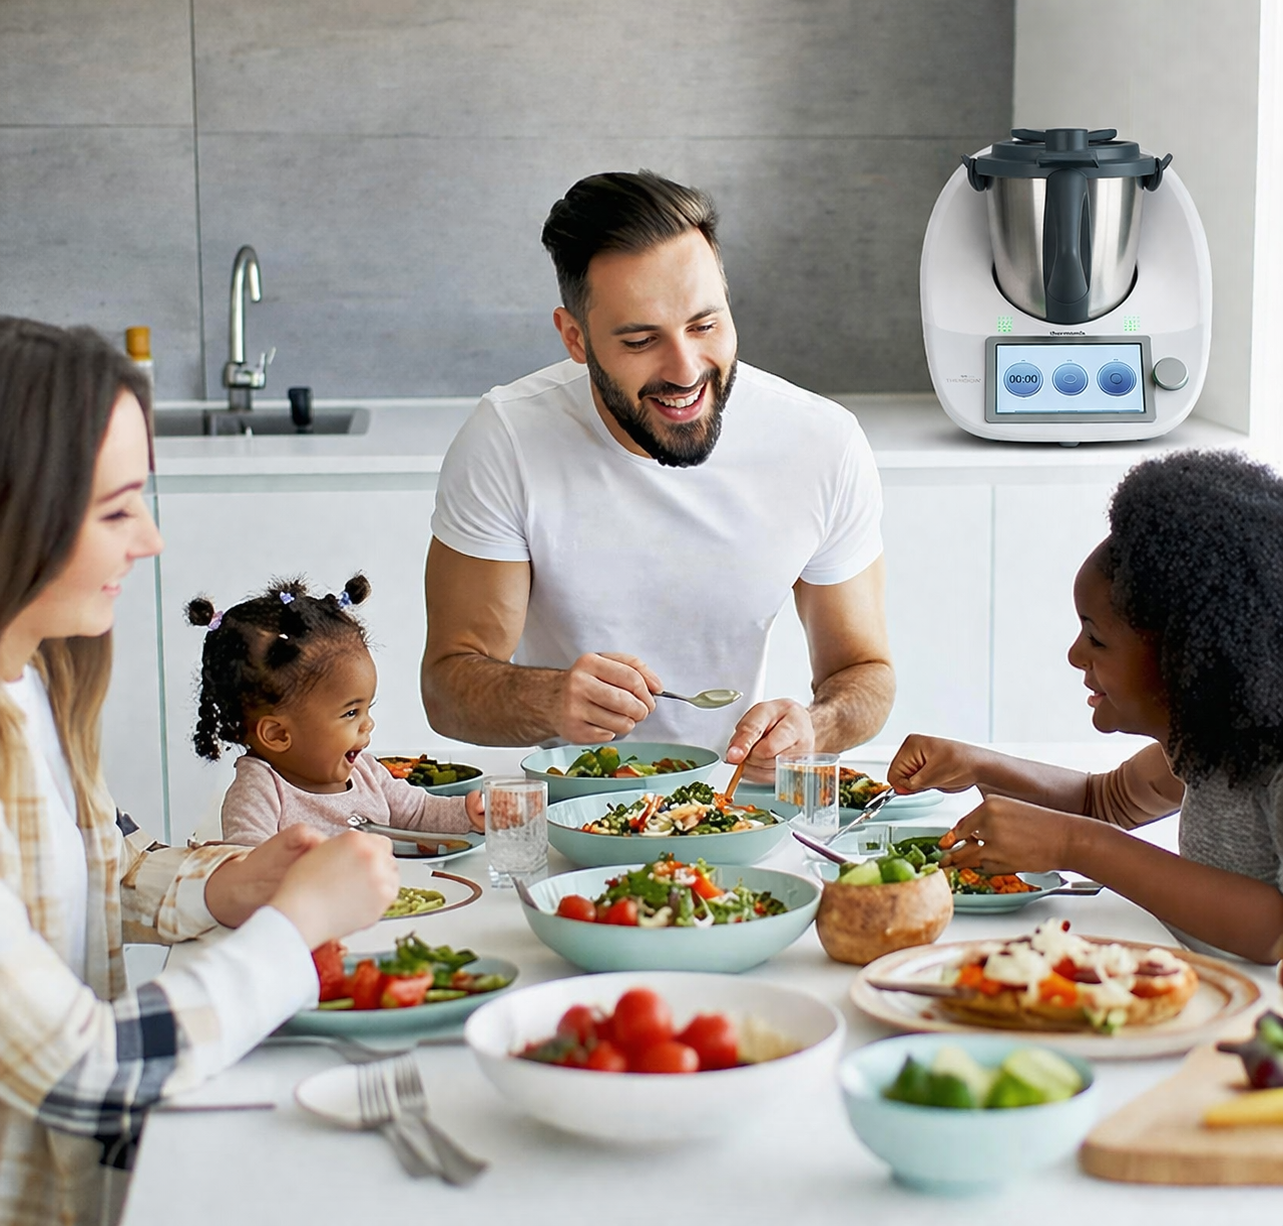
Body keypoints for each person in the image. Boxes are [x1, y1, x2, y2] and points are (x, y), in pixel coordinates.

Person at [0, 316, 400, 1226]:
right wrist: (291, 927)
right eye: (114, 510)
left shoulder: (38, 678)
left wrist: (233, 884)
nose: (150, 541)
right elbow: (88, 1076)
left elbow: (107, 868)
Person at [422, 170, 894, 780]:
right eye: (642, 340)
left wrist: (816, 725)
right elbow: (447, 684)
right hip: (569, 798)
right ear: (576, 338)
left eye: (705, 326)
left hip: (735, 804)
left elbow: (865, 671)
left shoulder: (821, 442)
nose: (686, 370)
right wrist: (546, 699)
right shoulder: (507, 439)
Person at [888, 449, 1283, 965]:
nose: (1075, 654)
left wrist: (1078, 846)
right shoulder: (1204, 738)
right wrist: (977, 764)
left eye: (1096, 640)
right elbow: (1106, 802)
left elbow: (1274, 930)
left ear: (1185, 655)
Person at [186, 575, 485, 845]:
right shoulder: (262, 790)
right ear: (278, 734)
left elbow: (419, 811)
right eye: (351, 713)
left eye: (368, 708)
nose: (368, 725)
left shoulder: (367, 772)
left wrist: (468, 813)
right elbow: (250, 865)